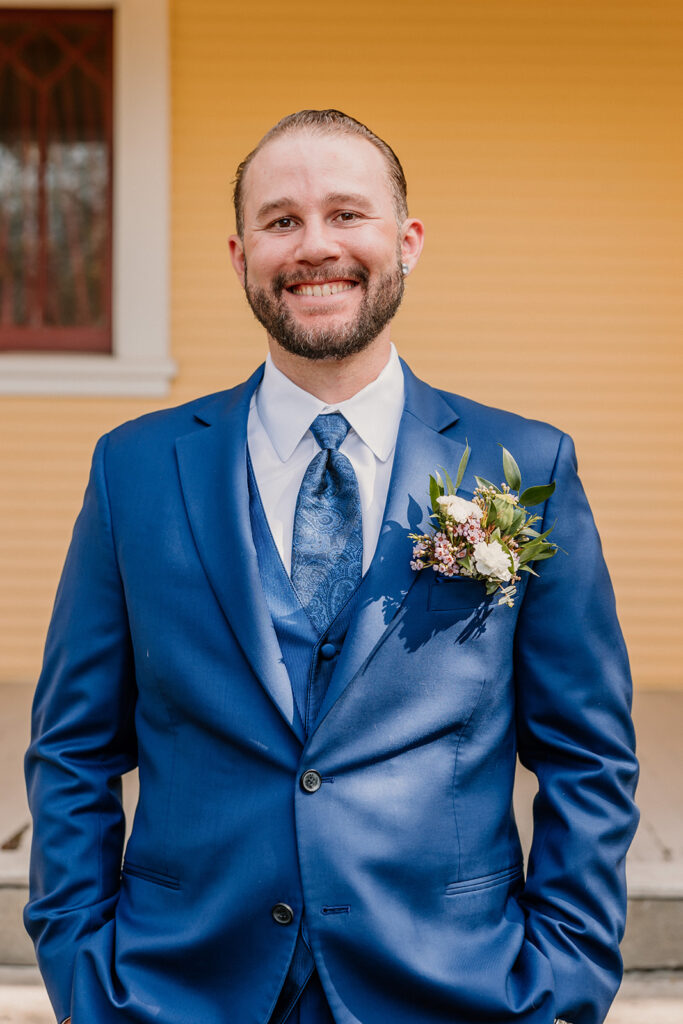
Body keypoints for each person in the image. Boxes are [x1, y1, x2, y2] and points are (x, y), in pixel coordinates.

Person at [25, 109, 638, 1024]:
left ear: (407, 239)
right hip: (177, 990)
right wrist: (84, 971)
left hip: (457, 990)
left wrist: (563, 976)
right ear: (240, 255)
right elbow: (73, 749)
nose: (315, 247)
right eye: (281, 221)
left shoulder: (527, 464)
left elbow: (587, 754)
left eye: (347, 214)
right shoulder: (136, 468)